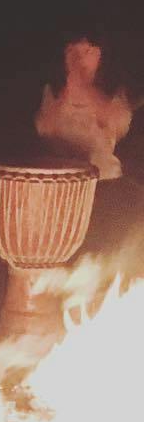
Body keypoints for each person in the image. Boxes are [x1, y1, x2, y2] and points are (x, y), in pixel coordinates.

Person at [34, 29, 142, 257]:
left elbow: (118, 121)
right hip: (62, 188)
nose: (80, 58)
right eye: (73, 51)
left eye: (89, 51)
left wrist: (83, 87)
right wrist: (69, 89)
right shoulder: (53, 93)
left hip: (104, 185)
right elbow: (45, 127)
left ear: (100, 57)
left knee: (103, 252)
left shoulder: (113, 93)